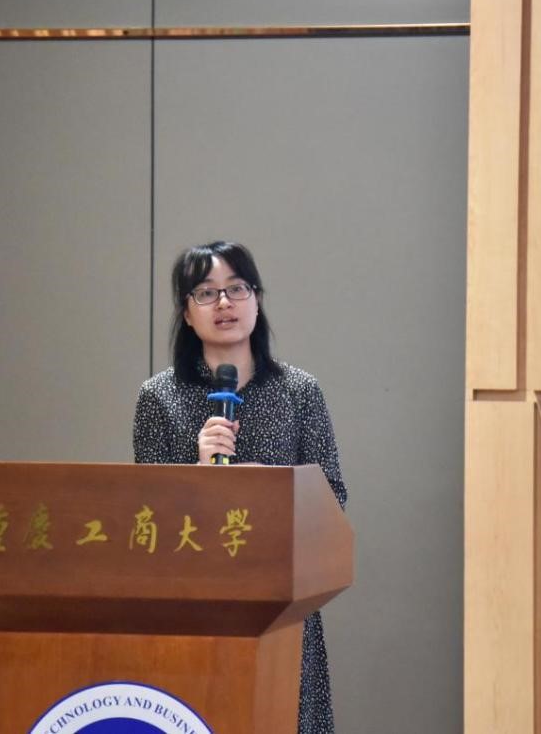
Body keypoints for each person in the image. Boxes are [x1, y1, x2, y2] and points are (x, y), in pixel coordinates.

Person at [133, 240, 348, 734]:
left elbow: (333, 499)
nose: (224, 303)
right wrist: (198, 470)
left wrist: (266, 489)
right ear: (186, 313)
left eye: (237, 288)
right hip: (194, 602)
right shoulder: (159, 397)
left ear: (257, 299)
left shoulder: (299, 391)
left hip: (281, 602)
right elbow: (147, 516)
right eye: (206, 293)